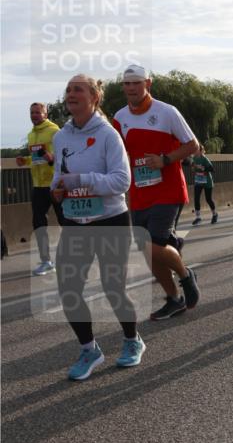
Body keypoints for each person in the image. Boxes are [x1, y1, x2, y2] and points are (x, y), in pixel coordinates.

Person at [50, 75, 145, 380]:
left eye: (77, 89)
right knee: (69, 290)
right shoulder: (61, 137)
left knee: (112, 287)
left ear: (94, 97)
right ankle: (90, 349)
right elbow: (59, 176)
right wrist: (58, 189)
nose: (70, 94)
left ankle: (132, 340)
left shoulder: (108, 135)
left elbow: (121, 181)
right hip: (76, 222)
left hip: (110, 221)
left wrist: (82, 180)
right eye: (68, 89)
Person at [113, 64, 201, 320]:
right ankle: (173, 298)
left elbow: (192, 145)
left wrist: (165, 159)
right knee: (147, 248)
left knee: (153, 243)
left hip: (168, 189)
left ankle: (186, 275)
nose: (131, 88)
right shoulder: (120, 117)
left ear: (147, 84)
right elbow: (117, 155)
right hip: (139, 192)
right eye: (127, 84)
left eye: (136, 83)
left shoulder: (167, 112)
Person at [15, 102, 62, 275]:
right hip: (38, 186)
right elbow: (36, 158)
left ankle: (77, 257)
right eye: (32, 112)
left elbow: (65, 156)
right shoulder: (30, 135)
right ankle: (46, 261)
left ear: (45, 113)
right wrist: (25, 161)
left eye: (37, 112)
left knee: (67, 222)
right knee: (39, 224)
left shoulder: (55, 131)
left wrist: (52, 158)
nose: (34, 115)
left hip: (55, 184)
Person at [191, 143, 218, 224]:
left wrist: (203, 168)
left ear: (200, 151)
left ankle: (214, 214)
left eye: (196, 149)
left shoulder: (204, 158)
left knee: (208, 199)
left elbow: (212, 169)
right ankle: (198, 217)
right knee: (196, 198)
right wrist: (194, 168)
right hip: (198, 181)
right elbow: (192, 167)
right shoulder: (194, 158)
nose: (194, 151)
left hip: (207, 182)